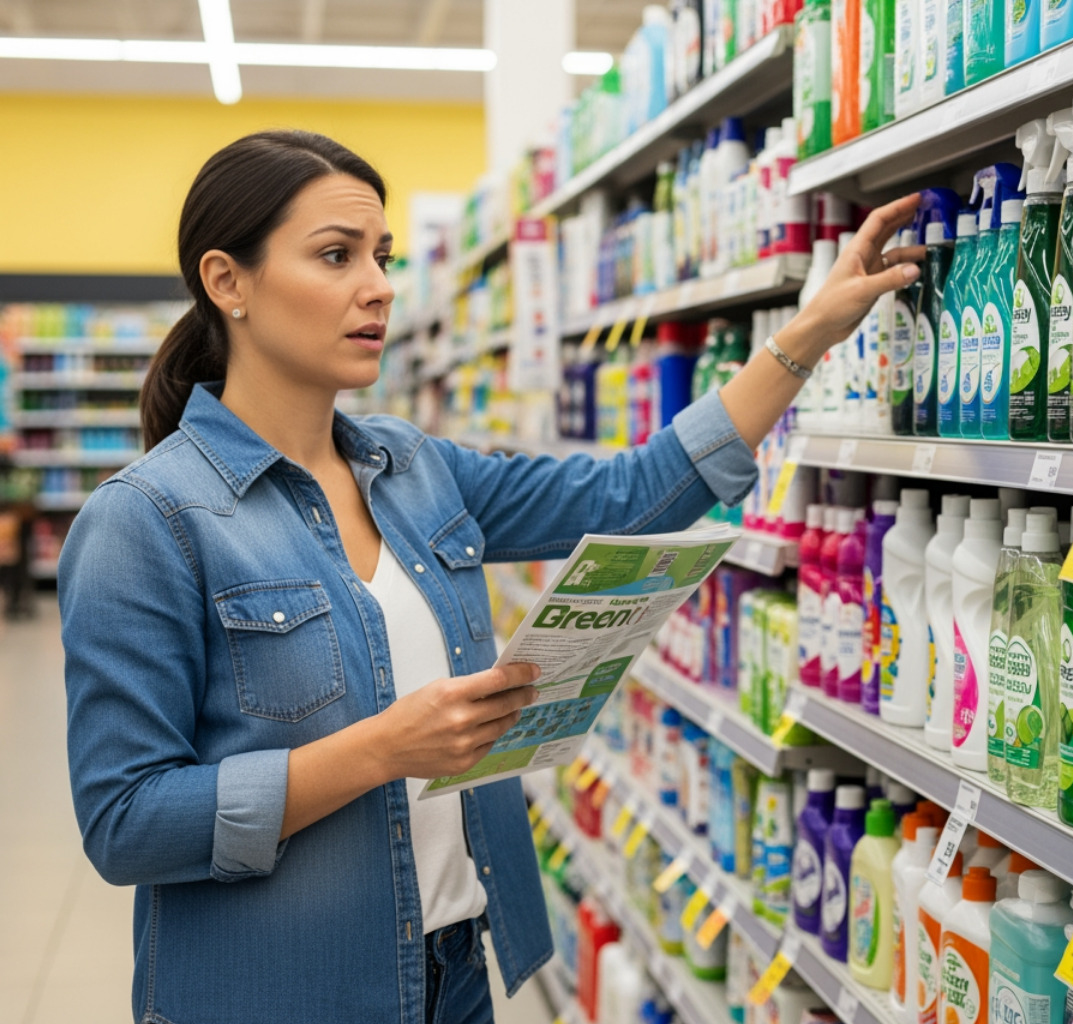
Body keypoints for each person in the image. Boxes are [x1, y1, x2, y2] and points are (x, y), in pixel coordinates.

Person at [58, 130, 922, 1024]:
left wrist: (810, 331)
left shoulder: (413, 468)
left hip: (452, 974)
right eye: (335, 255)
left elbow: (631, 496)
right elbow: (127, 820)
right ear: (226, 281)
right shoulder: (147, 521)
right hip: (280, 994)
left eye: (382, 256)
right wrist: (383, 749)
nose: (380, 286)